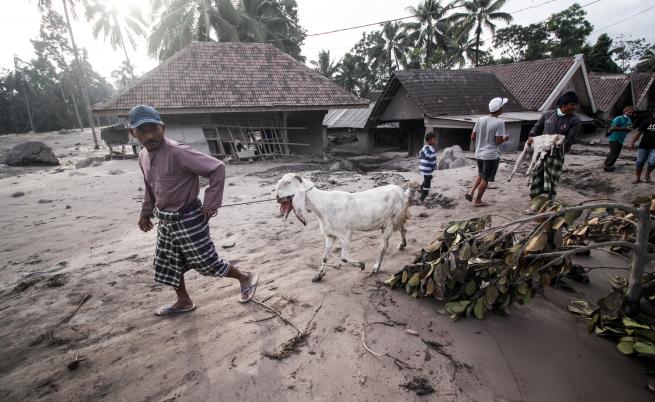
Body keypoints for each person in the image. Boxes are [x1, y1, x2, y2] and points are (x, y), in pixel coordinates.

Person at [129, 105, 259, 316]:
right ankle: (183, 301)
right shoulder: (142, 155)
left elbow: (217, 168)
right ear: (132, 132)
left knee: (206, 262)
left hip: (189, 217)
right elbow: (149, 186)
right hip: (166, 220)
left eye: (154, 129)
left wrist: (211, 203)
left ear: (163, 128)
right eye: (142, 130)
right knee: (169, 262)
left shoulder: (179, 152)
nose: (149, 135)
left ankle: (245, 277)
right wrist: (145, 212)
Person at [525, 91, 582, 212]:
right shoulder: (547, 115)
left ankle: (549, 205)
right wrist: (531, 135)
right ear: (563, 105)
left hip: (556, 155)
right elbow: (537, 127)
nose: (574, 107)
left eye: (575, 105)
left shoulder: (575, 121)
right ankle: (534, 205)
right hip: (541, 153)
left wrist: (556, 143)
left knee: (551, 180)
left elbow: (571, 139)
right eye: (572, 104)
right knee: (536, 178)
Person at [466, 97, 510, 207]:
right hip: (490, 155)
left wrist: (483, 139)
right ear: (499, 109)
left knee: (480, 174)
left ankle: (471, 192)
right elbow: (498, 141)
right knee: (485, 178)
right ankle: (478, 201)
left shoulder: (480, 119)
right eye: (502, 107)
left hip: (479, 153)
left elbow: (473, 137)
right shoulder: (500, 122)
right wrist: (505, 138)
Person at [604, 106, 635, 172]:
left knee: (617, 152)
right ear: (625, 111)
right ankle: (607, 165)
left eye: (632, 112)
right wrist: (625, 128)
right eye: (629, 112)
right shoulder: (618, 118)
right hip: (614, 137)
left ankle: (609, 165)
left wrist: (629, 129)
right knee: (613, 152)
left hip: (621, 138)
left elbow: (627, 130)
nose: (630, 114)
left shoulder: (629, 120)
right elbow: (613, 127)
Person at [628, 115, 655, 183]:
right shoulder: (647, 121)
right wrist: (632, 143)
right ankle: (638, 178)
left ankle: (647, 174)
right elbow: (639, 132)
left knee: (652, 162)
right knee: (639, 162)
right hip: (644, 146)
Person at [419, 131, 438, 202]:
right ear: (429, 140)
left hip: (422, 167)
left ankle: (421, 187)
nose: (435, 141)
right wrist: (434, 167)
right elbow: (433, 161)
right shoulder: (432, 150)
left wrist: (422, 162)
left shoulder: (424, 147)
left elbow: (420, 154)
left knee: (428, 178)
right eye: (434, 139)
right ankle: (422, 198)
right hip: (427, 169)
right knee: (427, 184)